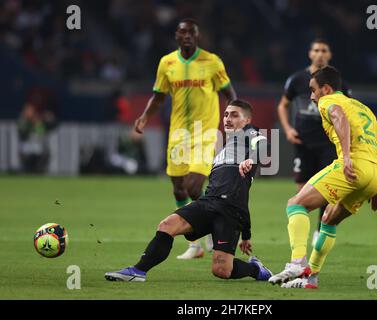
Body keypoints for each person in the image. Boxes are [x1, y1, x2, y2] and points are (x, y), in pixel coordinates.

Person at [105, 100, 272, 282]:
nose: (228, 119)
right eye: (225, 114)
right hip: (208, 202)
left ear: (247, 120)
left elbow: (263, 144)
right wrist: (246, 234)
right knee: (167, 225)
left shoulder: (249, 133)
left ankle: (255, 269)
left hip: (229, 212)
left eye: (234, 115)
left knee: (221, 270)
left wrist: (251, 159)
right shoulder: (223, 150)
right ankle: (138, 271)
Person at [269, 66, 377, 289]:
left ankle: (297, 262)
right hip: (376, 173)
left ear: (326, 88)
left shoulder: (329, 101)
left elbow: (338, 116)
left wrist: (345, 157)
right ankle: (311, 278)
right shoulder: (364, 108)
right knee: (329, 218)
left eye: (313, 90)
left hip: (354, 165)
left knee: (295, 205)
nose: (312, 96)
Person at [133, 18, 237, 259]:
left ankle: (212, 233)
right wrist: (145, 117)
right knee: (179, 189)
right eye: (183, 32)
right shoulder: (167, 63)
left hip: (206, 132)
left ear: (197, 36)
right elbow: (158, 96)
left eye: (191, 32)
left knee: (194, 186)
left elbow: (229, 93)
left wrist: (234, 120)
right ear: (176, 36)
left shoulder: (212, 62)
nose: (187, 36)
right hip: (178, 133)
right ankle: (196, 245)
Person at [277, 39, 351, 246]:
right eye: (316, 50)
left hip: (328, 143)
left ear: (329, 55)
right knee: (303, 189)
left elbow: (347, 109)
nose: (320, 54)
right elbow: (283, 105)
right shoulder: (297, 79)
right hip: (303, 142)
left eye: (324, 50)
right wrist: (288, 129)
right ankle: (303, 231)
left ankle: (320, 230)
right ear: (310, 54)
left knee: (327, 187)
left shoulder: (338, 83)